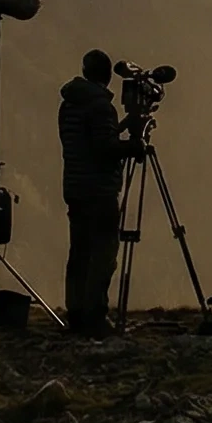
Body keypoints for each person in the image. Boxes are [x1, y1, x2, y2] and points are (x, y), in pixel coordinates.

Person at [57, 50, 142, 337]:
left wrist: (120, 129)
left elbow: (87, 142)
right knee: (103, 254)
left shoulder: (69, 104)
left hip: (75, 186)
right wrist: (132, 146)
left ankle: (77, 313)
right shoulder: (101, 107)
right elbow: (104, 150)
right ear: (107, 76)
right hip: (99, 190)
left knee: (79, 252)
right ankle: (96, 316)